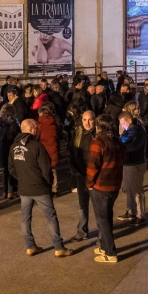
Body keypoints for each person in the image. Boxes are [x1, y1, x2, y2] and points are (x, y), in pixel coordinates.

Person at [8, 119, 73, 258]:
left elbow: (11, 168)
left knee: (25, 218)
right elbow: (46, 169)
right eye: (36, 128)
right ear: (31, 130)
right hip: (39, 188)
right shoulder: (37, 147)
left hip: (24, 188)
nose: (37, 131)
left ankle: (30, 246)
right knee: (50, 217)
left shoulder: (13, 147)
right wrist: (48, 183)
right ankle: (58, 247)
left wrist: (21, 178)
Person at [86, 114, 126, 263]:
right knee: (106, 217)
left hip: (101, 186)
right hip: (114, 185)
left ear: (99, 127)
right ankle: (104, 246)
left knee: (103, 220)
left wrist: (89, 184)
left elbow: (92, 167)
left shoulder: (98, 142)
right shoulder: (117, 141)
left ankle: (110, 252)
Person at [68, 110, 96, 242]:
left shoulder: (98, 135)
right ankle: (82, 231)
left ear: (94, 120)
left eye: (90, 120)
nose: (87, 123)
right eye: (85, 120)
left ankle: (103, 232)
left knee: (97, 205)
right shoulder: (77, 134)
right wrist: (73, 169)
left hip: (95, 176)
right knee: (82, 204)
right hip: (81, 174)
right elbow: (71, 153)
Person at [117, 111, 146, 226]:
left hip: (134, 163)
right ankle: (131, 212)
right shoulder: (132, 129)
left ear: (128, 120)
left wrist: (119, 142)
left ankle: (140, 215)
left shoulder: (134, 130)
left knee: (136, 190)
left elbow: (123, 142)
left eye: (122, 123)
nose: (122, 126)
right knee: (129, 189)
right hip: (129, 163)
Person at [36, 102, 61, 197]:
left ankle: (46, 187)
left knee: (44, 169)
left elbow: (37, 136)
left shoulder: (40, 124)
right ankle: (55, 189)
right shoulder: (53, 123)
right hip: (53, 147)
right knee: (53, 169)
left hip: (43, 148)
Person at [0, 104, 20, 200]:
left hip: (2, 149)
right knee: (12, 171)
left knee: (5, 171)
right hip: (11, 149)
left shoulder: (0, 123)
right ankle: (11, 191)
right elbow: (17, 137)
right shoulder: (13, 124)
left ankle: (5, 191)